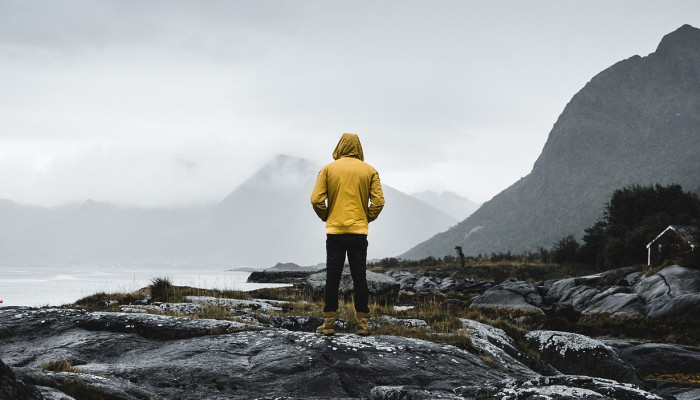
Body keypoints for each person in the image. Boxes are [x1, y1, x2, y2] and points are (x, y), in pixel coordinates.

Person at [310, 133, 385, 336]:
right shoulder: (369, 170)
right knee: (359, 276)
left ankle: (329, 324)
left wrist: (327, 216)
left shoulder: (327, 169)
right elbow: (378, 202)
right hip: (359, 232)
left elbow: (316, 199)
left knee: (332, 277)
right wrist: (366, 218)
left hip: (335, 231)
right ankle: (362, 325)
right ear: (358, 147)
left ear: (340, 146)